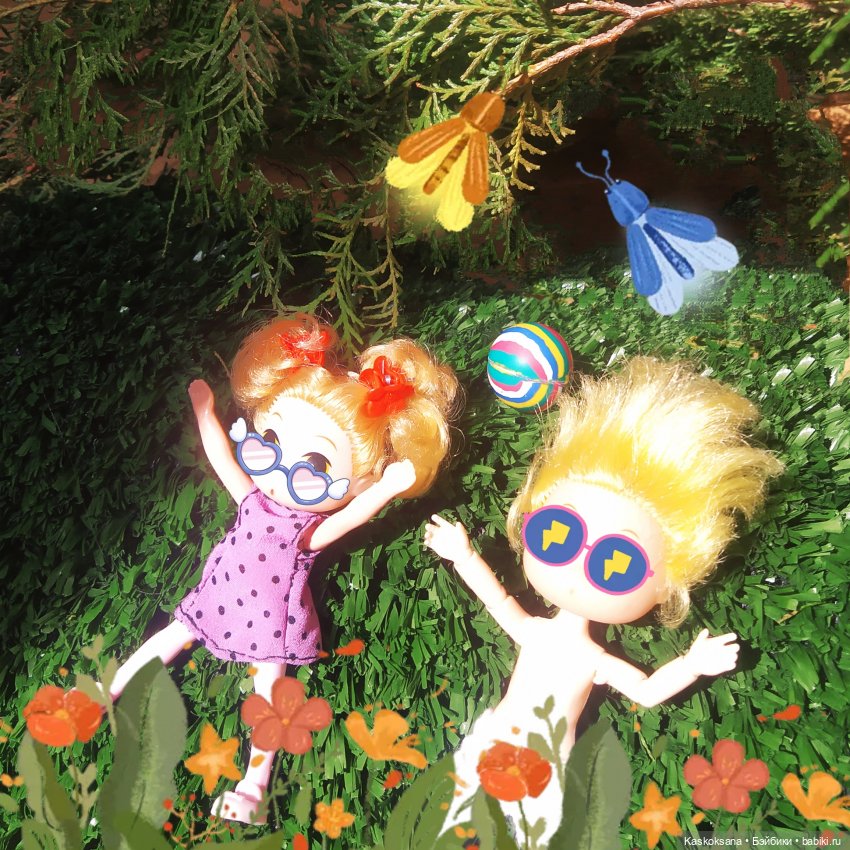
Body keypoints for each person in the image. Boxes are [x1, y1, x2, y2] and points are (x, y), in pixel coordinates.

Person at [110, 314, 459, 823]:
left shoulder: (306, 531)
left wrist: (385, 488)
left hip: (271, 621)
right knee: (167, 638)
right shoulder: (253, 498)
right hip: (217, 595)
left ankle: (253, 785)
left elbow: (352, 518)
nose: (280, 470)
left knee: (270, 695)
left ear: (356, 480)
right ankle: (109, 690)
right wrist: (205, 412)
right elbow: (223, 460)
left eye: (316, 467)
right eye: (269, 441)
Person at [424, 356, 782, 845]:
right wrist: (463, 555)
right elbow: (498, 600)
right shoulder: (540, 634)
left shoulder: (592, 659)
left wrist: (693, 664)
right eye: (557, 534)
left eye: (618, 563)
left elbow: (647, 692)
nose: (578, 566)